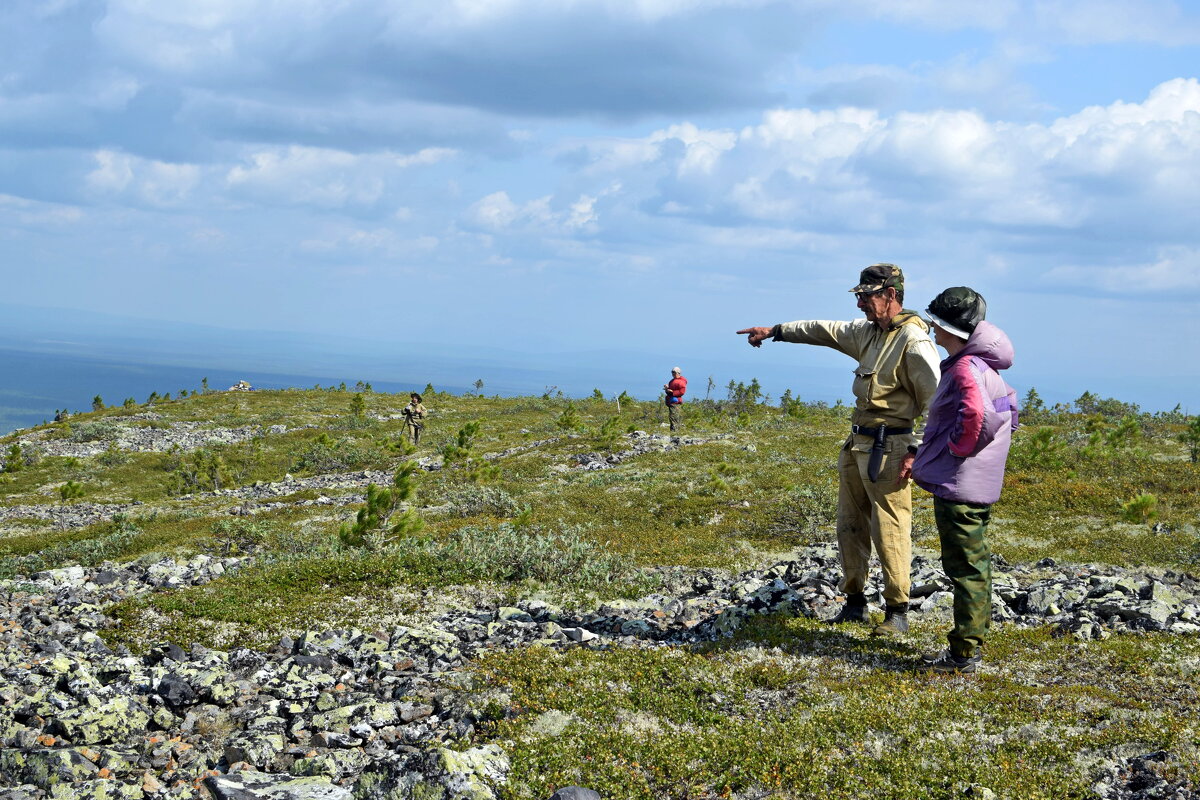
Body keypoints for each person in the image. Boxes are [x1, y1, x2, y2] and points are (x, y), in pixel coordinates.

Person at [736, 263, 940, 636]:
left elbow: (936, 402)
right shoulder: (867, 333)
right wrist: (775, 332)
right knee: (849, 525)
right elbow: (822, 330)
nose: (860, 303)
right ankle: (855, 602)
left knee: (890, 529)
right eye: (859, 296)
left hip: (891, 447)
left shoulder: (914, 342)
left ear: (890, 295)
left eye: (866, 296)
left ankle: (897, 611)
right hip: (857, 444)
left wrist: (917, 449)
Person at [911, 287, 1017, 673]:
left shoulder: (962, 368)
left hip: (961, 486)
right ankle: (970, 644)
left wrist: (958, 451)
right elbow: (1008, 406)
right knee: (976, 564)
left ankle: (963, 656)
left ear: (949, 330)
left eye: (936, 326)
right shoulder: (984, 366)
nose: (933, 334)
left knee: (965, 568)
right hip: (976, 483)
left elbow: (979, 417)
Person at [664, 367, 687, 432]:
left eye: (674, 372)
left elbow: (682, 392)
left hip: (676, 402)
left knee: (674, 417)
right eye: (672, 372)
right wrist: (667, 389)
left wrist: (672, 392)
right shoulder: (672, 381)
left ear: (678, 373)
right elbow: (669, 392)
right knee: (672, 417)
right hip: (671, 401)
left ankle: (675, 432)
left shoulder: (681, 382)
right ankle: (673, 432)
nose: (672, 374)